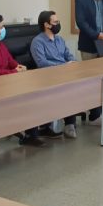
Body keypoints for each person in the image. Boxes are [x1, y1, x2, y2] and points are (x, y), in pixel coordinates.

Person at [0, 13, 60, 147]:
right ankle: (30, 135)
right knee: (29, 98)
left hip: (8, 82)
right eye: (1, 27)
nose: (4, 29)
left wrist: (18, 66)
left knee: (38, 92)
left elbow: (10, 60)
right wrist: (14, 72)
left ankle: (42, 127)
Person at [30, 10, 79, 139]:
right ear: (46, 25)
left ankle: (72, 122)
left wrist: (73, 63)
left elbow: (68, 55)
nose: (58, 24)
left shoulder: (59, 39)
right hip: (48, 76)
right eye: (55, 22)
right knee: (69, 90)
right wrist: (63, 66)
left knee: (82, 86)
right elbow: (42, 63)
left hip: (64, 74)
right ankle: (70, 124)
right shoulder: (37, 42)